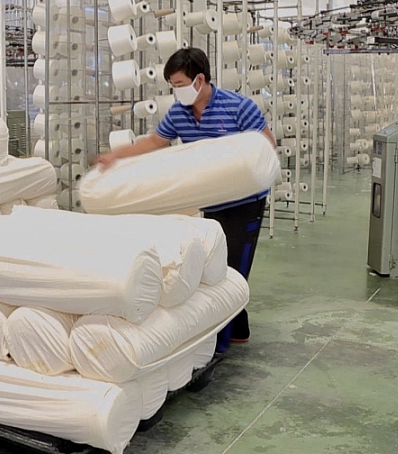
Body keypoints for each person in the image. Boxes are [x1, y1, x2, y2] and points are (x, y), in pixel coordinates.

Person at [95, 47, 276, 353]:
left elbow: (267, 146)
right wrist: (116, 157)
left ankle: (217, 345)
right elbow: (155, 142)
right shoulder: (180, 112)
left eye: (179, 84)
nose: (176, 91)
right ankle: (238, 328)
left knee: (233, 268)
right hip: (212, 199)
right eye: (173, 85)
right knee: (218, 265)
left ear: (199, 80)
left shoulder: (238, 107)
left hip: (244, 202)